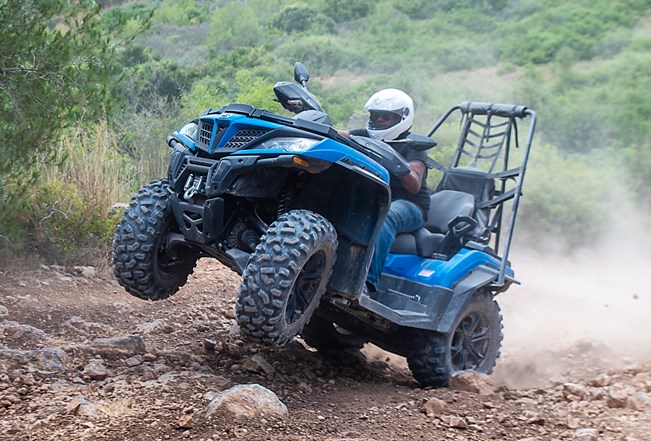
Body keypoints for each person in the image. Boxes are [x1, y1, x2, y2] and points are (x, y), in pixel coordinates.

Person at [340, 88, 429, 292]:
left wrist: (396, 163)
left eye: (385, 117)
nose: (379, 121)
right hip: (378, 197)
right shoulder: (366, 136)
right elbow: (337, 135)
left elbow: (414, 184)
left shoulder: (412, 145)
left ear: (402, 118)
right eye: (375, 116)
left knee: (385, 216)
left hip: (410, 205)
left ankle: (366, 284)